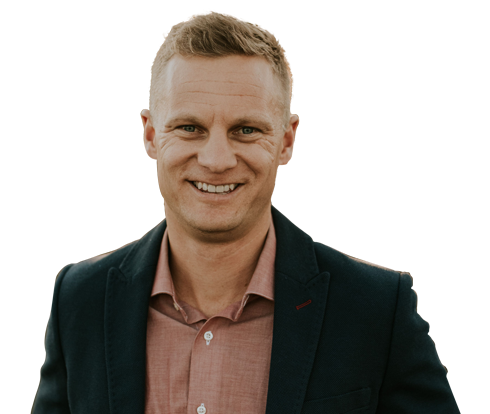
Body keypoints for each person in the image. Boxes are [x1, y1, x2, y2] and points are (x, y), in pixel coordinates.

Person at [32, 11, 460, 414]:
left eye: (246, 130)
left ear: (286, 142)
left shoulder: (376, 310)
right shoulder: (80, 299)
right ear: (151, 135)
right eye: (189, 128)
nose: (217, 160)